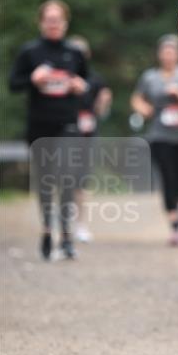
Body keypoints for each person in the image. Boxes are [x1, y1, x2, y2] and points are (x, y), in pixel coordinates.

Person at [8, 0, 88, 260]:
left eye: (58, 20)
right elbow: (13, 84)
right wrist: (33, 79)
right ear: (41, 22)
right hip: (39, 126)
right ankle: (46, 229)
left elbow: (88, 83)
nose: (54, 24)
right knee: (45, 182)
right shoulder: (30, 52)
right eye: (49, 20)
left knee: (66, 177)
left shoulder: (74, 53)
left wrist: (79, 85)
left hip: (67, 123)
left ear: (65, 23)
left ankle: (66, 235)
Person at [130, 35, 178, 246]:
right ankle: (174, 221)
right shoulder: (150, 77)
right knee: (168, 178)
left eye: (172, 51)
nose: (168, 55)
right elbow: (137, 98)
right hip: (160, 136)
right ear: (159, 54)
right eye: (165, 51)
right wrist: (142, 109)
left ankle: (175, 203)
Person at [67, 35, 113, 243]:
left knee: (82, 180)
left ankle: (81, 224)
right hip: (63, 133)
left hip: (86, 135)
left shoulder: (95, 79)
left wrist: (103, 102)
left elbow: (100, 112)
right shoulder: (61, 76)